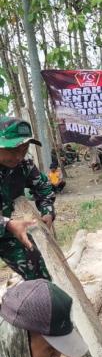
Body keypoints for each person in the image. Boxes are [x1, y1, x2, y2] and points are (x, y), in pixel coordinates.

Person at [0, 117, 55, 281]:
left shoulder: (24, 163)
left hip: (9, 231)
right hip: (8, 225)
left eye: (24, 149)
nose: (18, 156)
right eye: (13, 149)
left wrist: (48, 211)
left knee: (38, 275)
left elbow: (43, 187)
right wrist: (8, 224)